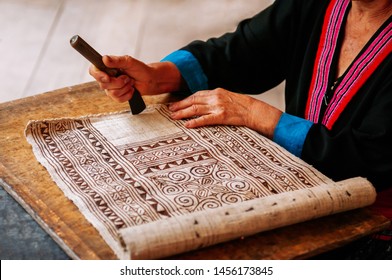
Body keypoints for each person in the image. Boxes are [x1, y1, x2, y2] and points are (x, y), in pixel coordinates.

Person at [89, 0, 392, 259]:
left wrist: (259, 116)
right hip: (307, 197)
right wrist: (158, 76)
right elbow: (246, 51)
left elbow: (373, 156)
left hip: (375, 234)